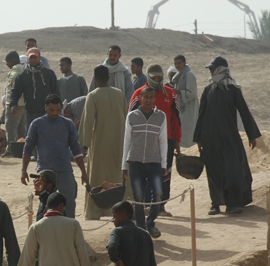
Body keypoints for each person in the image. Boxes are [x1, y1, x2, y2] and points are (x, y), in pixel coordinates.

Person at [194, 56, 261, 215]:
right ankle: (215, 203)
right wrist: (198, 138)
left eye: (213, 69)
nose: (211, 72)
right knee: (214, 171)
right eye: (210, 69)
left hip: (229, 137)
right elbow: (202, 114)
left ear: (222, 70)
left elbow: (244, 111)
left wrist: (252, 135)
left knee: (232, 170)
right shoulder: (208, 90)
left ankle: (233, 203)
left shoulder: (233, 89)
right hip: (210, 138)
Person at [21, 94, 88, 218]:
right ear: (46, 108)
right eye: (52, 110)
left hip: (65, 170)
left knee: (69, 203)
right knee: (44, 203)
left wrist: (84, 172)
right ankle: (42, 232)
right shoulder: (37, 124)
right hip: (45, 171)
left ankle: (69, 231)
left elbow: (77, 150)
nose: (55, 113)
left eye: (58, 110)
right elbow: (28, 147)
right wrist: (23, 170)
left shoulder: (68, 124)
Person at [129, 64, 181, 217]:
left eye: (159, 77)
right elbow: (130, 118)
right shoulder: (139, 93)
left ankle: (160, 206)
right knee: (144, 171)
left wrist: (177, 141)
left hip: (167, 140)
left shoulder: (170, 93)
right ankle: (145, 205)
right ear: (148, 76)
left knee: (164, 172)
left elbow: (177, 119)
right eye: (153, 78)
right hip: (144, 142)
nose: (156, 80)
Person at [79, 65, 127, 220]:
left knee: (97, 178)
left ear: (95, 79)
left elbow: (87, 122)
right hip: (120, 143)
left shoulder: (93, 96)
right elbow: (126, 117)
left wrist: (84, 144)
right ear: (108, 78)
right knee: (117, 177)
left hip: (99, 144)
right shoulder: (119, 94)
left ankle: (95, 211)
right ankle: (119, 211)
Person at [122, 86, 167, 238]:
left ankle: (150, 223)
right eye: (145, 97)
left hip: (154, 161)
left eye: (151, 97)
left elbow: (163, 142)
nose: (148, 100)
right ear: (141, 98)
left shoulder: (161, 116)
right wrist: (124, 165)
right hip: (135, 161)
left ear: (154, 99)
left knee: (159, 193)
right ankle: (141, 228)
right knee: (138, 198)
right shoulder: (132, 116)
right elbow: (126, 141)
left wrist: (163, 164)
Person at [10, 48, 59, 136]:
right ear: (28, 58)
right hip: (30, 112)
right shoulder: (22, 76)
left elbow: (56, 91)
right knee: (32, 137)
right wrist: (13, 104)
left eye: (35, 57)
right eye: (31, 57)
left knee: (48, 136)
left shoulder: (49, 73)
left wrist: (59, 107)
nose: (33, 59)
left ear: (39, 57)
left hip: (47, 112)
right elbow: (15, 91)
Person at [173, 55, 200, 148]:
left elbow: (192, 93)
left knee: (187, 130)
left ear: (184, 63)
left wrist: (179, 91)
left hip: (189, 107)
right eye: (175, 64)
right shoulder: (180, 75)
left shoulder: (188, 74)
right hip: (182, 106)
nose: (177, 65)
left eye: (179, 63)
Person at [3, 50, 26, 154]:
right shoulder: (24, 69)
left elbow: (14, 89)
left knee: (11, 127)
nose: (6, 64)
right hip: (23, 104)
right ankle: (22, 150)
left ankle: (11, 150)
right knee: (22, 128)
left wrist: (13, 104)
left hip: (15, 105)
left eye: (7, 62)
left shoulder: (15, 72)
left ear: (11, 62)